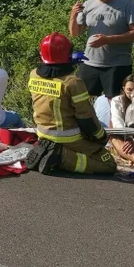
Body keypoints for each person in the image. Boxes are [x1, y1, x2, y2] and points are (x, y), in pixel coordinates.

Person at [26, 32, 116, 175]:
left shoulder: (33, 74)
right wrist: (101, 137)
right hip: (68, 136)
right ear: (66, 54)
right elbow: (86, 119)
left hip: (42, 132)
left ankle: (51, 150)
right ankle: (61, 157)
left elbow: (52, 72)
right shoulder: (73, 82)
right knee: (108, 163)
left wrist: (67, 61)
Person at [69, 0, 134, 100]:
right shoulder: (88, 4)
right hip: (90, 61)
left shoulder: (127, 4)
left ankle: (114, 121)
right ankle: (92, 120)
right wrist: (73, 15)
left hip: (117, 64)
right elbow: (75, 33)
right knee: (80, 99)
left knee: (116, 102)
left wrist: (108, 40)